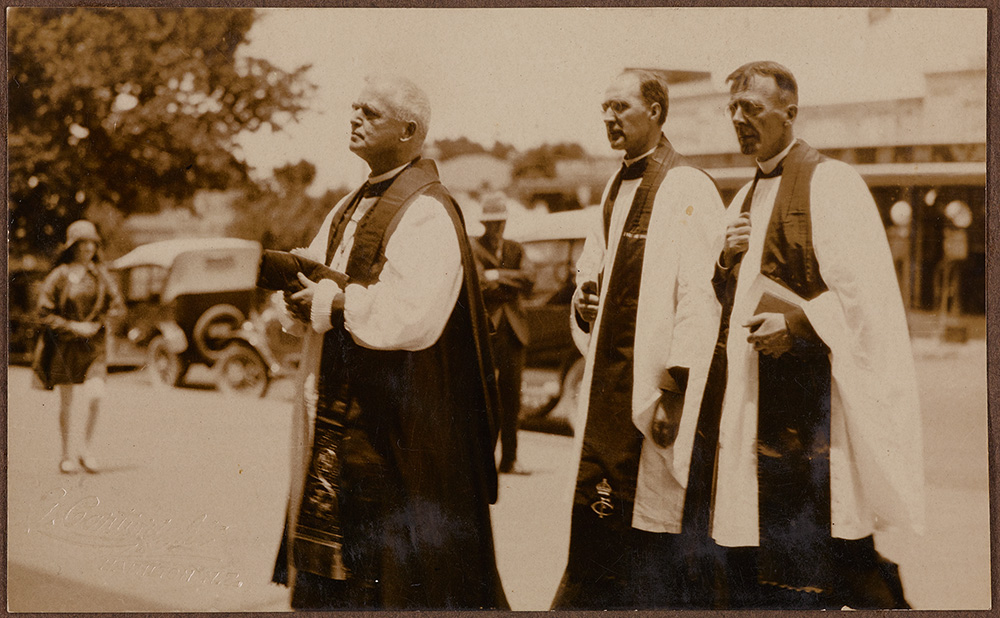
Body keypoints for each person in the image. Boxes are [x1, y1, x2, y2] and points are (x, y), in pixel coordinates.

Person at [271, 75, 507, 610]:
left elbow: (412, 315)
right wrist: (296, 299)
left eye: (369, 112)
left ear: (408, 130)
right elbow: (318, 273)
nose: (353, 118)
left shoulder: (427, 209)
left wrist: (331, 304)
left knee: (391, 576)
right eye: (353, 108)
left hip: (394, 429)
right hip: (343, 413)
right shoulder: (350, 202)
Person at [711, 61, 924, 609]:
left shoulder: (831, 181)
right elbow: (729, 304)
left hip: (816, 408)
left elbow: (866, 298)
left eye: (752, 108)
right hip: (754, 402)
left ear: (789, 112)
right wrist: (725, 259)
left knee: (833, 553)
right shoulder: (741, 198)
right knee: (764, 558)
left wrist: (800, 324)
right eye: (733, 109)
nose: (739, 119)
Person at [551, 69, 725, 609]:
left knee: (654, 527)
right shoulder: (612, 186)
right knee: (603, 520)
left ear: (655, 110)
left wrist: (674, 388)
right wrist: (583, 301)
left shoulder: (687, 186)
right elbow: (592, 267)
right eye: (604, 106)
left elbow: (701, 296)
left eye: (621, 106)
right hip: (611, 386)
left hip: (655, 392)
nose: (609, 117)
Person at [34, 219, 124, 474]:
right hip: (65, 348)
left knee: (96, 394)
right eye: (82, 244)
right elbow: (43, 314)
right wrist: (74, 327)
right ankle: (65, 454)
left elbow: (116, 306)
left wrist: (99, 323)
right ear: (72, 246)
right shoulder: (59, 276)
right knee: (66, 403)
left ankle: (86, 450)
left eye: (92, 244)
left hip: (93, 348)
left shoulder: (102, 276)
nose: (88, 249)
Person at [472, 194, 534, 475]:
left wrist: (498, 276)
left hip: (514, 332)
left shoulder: (515, 248)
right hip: (488, 329)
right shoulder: (474, 247)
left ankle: (510, 459)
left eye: (500, 222)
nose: (497, 227)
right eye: (492, 223)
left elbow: (531, 279)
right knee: (485, 397)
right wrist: (508, 279)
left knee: (512, 398)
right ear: (484, 223)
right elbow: (479, 285)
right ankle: (483, 460)